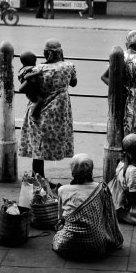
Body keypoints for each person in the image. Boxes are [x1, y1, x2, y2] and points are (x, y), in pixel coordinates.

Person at [19, 38, 77, 178]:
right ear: (60, 52)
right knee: (52, 143)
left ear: (46, 53)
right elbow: (74, 83)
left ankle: (39, 179)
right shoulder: (69, 66)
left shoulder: (38, 69)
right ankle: (40, 181)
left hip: (39, 112)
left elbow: (27, 85)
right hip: (60, 112)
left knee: (38, 148)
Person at [52, 153, 124, 259]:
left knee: (59, 230)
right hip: (97, 246)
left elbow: (61, 218)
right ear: (91, 170)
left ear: (73, 172)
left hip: (68, 246)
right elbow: (108, 215)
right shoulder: (101, 188)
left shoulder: (62, 190)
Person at [101, 30, 136, 161]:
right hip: (135, 102)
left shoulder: (119, 57)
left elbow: (105, 77)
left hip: (121, 101)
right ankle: (135, 162)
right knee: (134, 133)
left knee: (122, 131)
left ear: (127, 43)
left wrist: (120, 90)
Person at [18, 50, 44, 120]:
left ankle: (34, 113)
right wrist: (38, 73)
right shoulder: (28, 70)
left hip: (29, 89)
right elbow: (27, 77)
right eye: (34, 61)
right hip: (30, 90)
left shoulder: (23, 69)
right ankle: (34, 114)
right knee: (39, 100)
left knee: (36, 100)